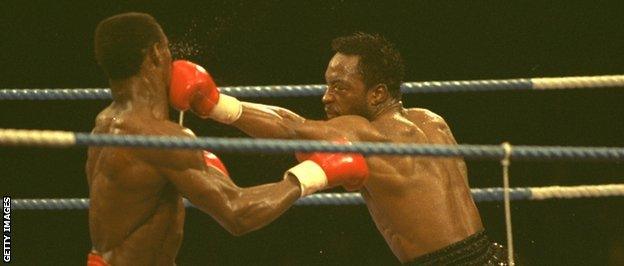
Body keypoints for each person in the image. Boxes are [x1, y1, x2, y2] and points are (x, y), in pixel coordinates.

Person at [174, 32, 509, 264]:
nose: (326, 97)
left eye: (339, 87)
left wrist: (215, 105)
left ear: (377, 94)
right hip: (493, 257)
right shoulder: (433, 121)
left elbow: (290, 128)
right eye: (327, 84)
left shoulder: (366, 135)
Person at [87, 13, 367, 265]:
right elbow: (237, 214)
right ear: (157, 54)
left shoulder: (105, 124)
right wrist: (315, 172)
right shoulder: (162, 139)